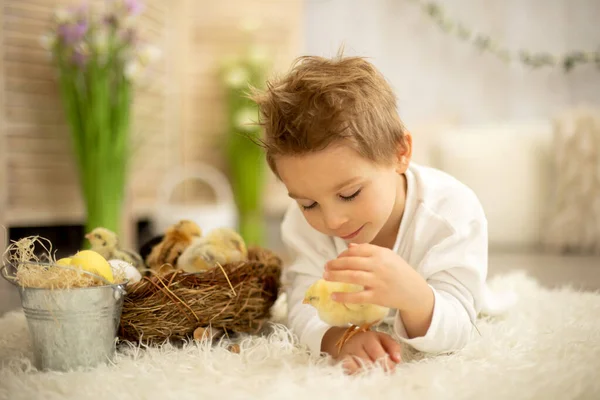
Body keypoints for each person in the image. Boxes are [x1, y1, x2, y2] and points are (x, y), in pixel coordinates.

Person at [251, 53, 500, 374]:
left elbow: (460, 326)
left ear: (401, 153)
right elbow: (301, 306)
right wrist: (335, 338)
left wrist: (416, 297)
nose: (332, 221)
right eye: (308, 204)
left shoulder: (452, 211)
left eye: (349, 194)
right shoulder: (301, 225)